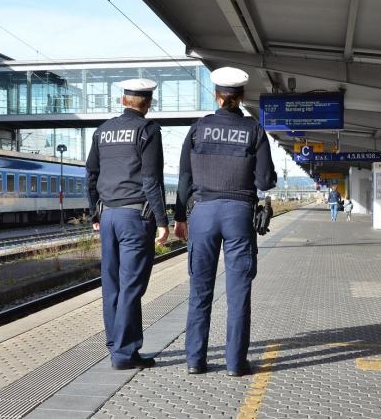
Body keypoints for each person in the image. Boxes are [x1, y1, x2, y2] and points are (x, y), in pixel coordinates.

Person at [173, 66, 277, 377]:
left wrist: (180, 218)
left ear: (217, 96)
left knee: (200, 290)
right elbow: (265, 181)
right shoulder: (254, 131)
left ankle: (195, 360)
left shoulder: (197, 129)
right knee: (238, 292)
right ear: (241, 97)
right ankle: (235, 364)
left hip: (202, 214)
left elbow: (184, 178)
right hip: (238, 214)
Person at [86, 78, 169, 370]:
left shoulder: (103, 131)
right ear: (147, 103)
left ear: (123, 101)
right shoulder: (148, 131)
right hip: (135, 217)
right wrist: (162, 220)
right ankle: (124, 353)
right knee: (131, 286)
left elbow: (91, 175)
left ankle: (116, 346)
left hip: (107, 216)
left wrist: (95, 214)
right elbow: (151, 179)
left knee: (112, 286)